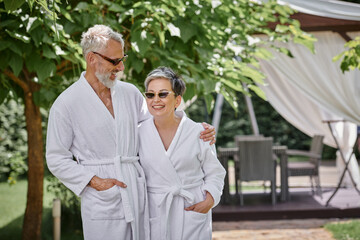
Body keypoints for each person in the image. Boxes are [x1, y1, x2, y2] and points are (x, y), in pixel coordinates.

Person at [46, 25, 215, 240]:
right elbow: (56, 158)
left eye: (122, 59)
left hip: (138, 189)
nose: (121, 67)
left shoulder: (129, 93)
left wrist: (194, 130)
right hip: (102, 197)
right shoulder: (67, 104)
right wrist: (95, 181)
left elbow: (157, 126)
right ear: (91, 58)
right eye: (114, 61)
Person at [138, 67, 226, 240]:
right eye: (150, 95)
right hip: (155, 210)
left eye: (163, 94)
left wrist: (209, 201)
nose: (156, 100)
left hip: (192, 207)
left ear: (177, 100)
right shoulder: (138, 134)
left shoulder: (198, 132)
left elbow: (215, 173)